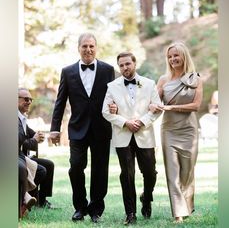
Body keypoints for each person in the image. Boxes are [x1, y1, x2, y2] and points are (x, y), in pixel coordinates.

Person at [49, 32, 115, 223]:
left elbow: (114, 96)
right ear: (78, 48)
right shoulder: (67, 71)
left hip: (101, 128)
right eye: (84, 46)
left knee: (100, 170)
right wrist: (55, 128)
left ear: (96, 48)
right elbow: (60, 102)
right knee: (76, 166)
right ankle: (80, 207)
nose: (88, 50)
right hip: (77, 128)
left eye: (91, 46)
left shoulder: (107, 69)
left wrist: (117, 109)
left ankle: (96, 209)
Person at [102, 52, 162, 225]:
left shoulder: (149, 84)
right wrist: (125, 122)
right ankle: (130, 213)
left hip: (145, 135)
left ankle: (147, 197)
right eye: (121, 65)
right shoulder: (112, 86)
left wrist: (142, 122)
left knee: (150, 173)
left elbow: (157, 109)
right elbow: (105, 111)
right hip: (123, 137)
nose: (124, 68)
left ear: (134, 64)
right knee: (127, 175)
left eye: (127, 64)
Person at [150, 41, 203, 223]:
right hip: (169, 131)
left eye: (176, 55)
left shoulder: (195, 78)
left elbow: (196, 106)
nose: (173, 59)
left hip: (189, 130)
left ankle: (188, 206)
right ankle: (178, 214)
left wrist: (171, 108)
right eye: (170, 56)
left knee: (187, 172)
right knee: (172, 173)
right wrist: (152, 105)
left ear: (184, 56)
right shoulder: (163, 80)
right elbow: (155, 102)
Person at [18, 87, 55, 209]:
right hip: (18, 157)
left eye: (31, 99)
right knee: (41, 170)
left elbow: (29, 133)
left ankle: (41, 201)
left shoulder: (22, 118)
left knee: (49, 165)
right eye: (26, 99)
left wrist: (40, 136)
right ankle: (27, 196)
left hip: (22, 156)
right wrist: (34, 140)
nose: (29, 102)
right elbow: (20, 142)